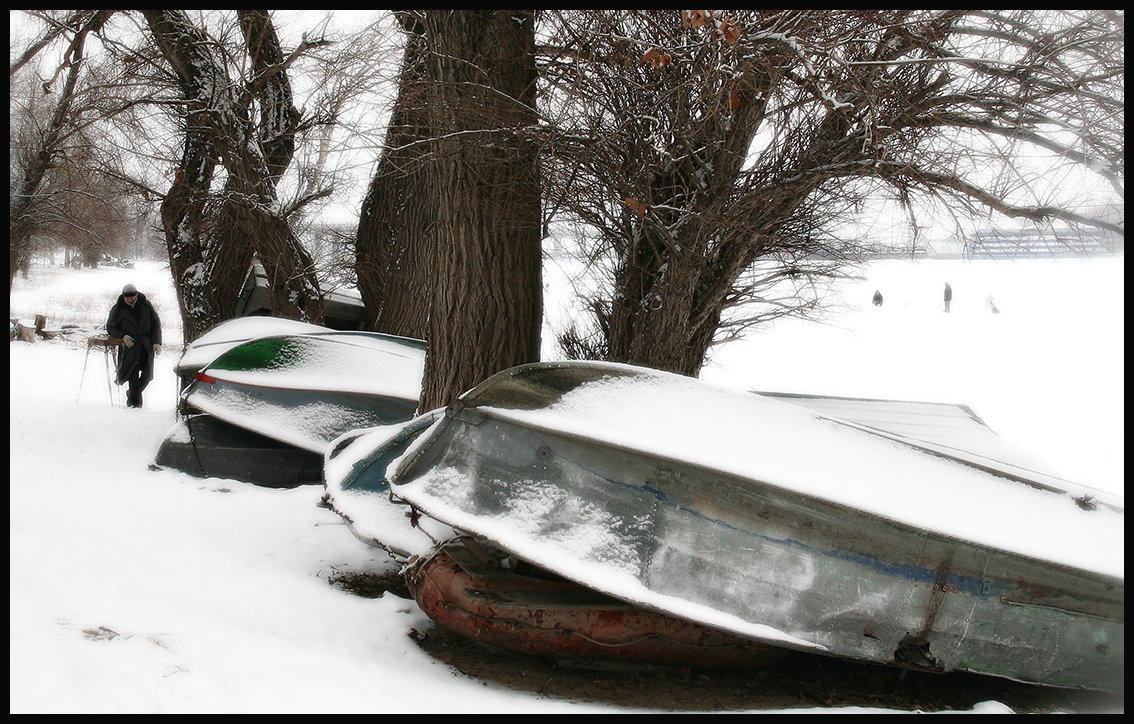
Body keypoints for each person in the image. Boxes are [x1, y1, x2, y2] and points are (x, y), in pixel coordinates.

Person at [106, 282, 162, 408]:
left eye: (132, 297)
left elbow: (155, 324)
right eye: (127, 298)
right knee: (133, 376)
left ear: (136, 295)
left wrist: (157, 342)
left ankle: (131, 394)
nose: (130, 300)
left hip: (145, 345)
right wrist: (123, 336)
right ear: (123, 297)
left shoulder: (146, 306)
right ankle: (135, 405)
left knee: (148, 376)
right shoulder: (118, 309)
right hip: (130, 347)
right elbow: (110, 327)